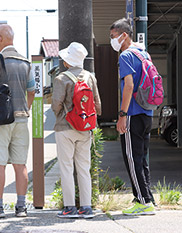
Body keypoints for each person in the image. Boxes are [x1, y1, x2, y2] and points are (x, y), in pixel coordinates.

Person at [0, 24, 35, 218]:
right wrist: (25, 109)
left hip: (1, 120)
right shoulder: (26, 62)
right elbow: (32, 91)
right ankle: (21, 207)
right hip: (21, 119)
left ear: (0, 38)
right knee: (20, 164)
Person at [110, 18, 155, 215]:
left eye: (113, 36)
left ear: (123, 35)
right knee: (142, 158)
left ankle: (143, 201)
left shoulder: (126, 56)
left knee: (132, 159)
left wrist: (122, 114)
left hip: (133, 114)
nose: (112, 40)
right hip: (147, 113)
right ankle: (147, 197)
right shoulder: (144, 54)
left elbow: (128, 86)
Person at [51, 42, 101, 219]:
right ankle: (86, 207)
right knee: (83, 167)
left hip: (65, 127)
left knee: (66, 167)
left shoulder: (61, 78)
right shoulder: (90, 77)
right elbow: (98, 106)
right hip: (85, 128)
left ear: (67, 61)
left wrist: (63, 114)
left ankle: (69, 207)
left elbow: (56, 104)